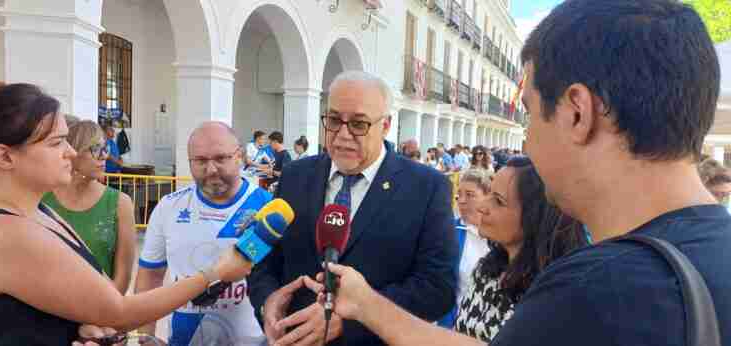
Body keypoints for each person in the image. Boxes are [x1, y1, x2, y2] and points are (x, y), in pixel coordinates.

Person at [299, 1, 731, 345]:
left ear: (577, 113)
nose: (527, 142)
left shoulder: (593, 293)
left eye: (529, 115)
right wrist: (369, 306)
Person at [0, 84, 269, 345]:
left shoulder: (37, 211)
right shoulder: (3, 233)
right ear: (4, 156)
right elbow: (119, 310)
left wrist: (82, 326)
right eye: (57, 143)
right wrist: (216, 274)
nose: (71, 152)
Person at [247, 71, 458, 346]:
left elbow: (437, 289)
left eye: (359, 124)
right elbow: (261, 257)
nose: (343, 135)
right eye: (334, 120)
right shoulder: (294, 175)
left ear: (385, 126)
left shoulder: (427, 188)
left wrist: (351, 321)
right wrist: (267, 301)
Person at [135, 121, 273, 346]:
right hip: (186, 339)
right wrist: (144, 336)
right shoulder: (169, 207)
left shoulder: (268, 207)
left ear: (239, 156)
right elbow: (150, 277)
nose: (211, 169)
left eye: (220, 158)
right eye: (200, 160)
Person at [454, 157, 586, 342]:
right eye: (489, 193)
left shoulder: (552, 295)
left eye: (498, 201)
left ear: (535, 217)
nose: (483, 207)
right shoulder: (487, 270)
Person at [42, 120, 137, 294]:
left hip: (100, 311)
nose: (104, 156)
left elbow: (122, 277)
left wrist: (102, 317)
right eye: (95, 149)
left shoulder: (120, 203)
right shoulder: (42, 199)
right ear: (72, 151)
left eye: (105, 148)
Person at [437, 169, 491, 329]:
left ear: (488, 197)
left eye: (470, 194)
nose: (461, 200)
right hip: (453, 327)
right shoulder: (448, 232)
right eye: (459, 194)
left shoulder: (502, 236)